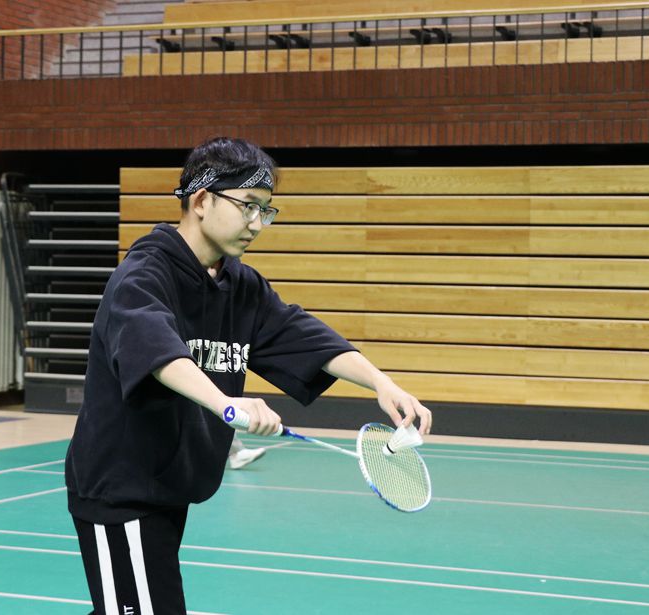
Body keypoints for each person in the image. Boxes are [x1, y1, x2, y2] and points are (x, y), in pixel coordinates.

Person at [65, 137, 432, 615]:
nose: (258, 224)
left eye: (266, 211)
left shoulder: (238, 284)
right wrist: (226, 403)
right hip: (121, 490)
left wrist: (382, 383)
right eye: (248, 206)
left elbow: (302, 335)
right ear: (202, 200)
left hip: (168, 484)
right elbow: (157, 352)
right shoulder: (144, 274)